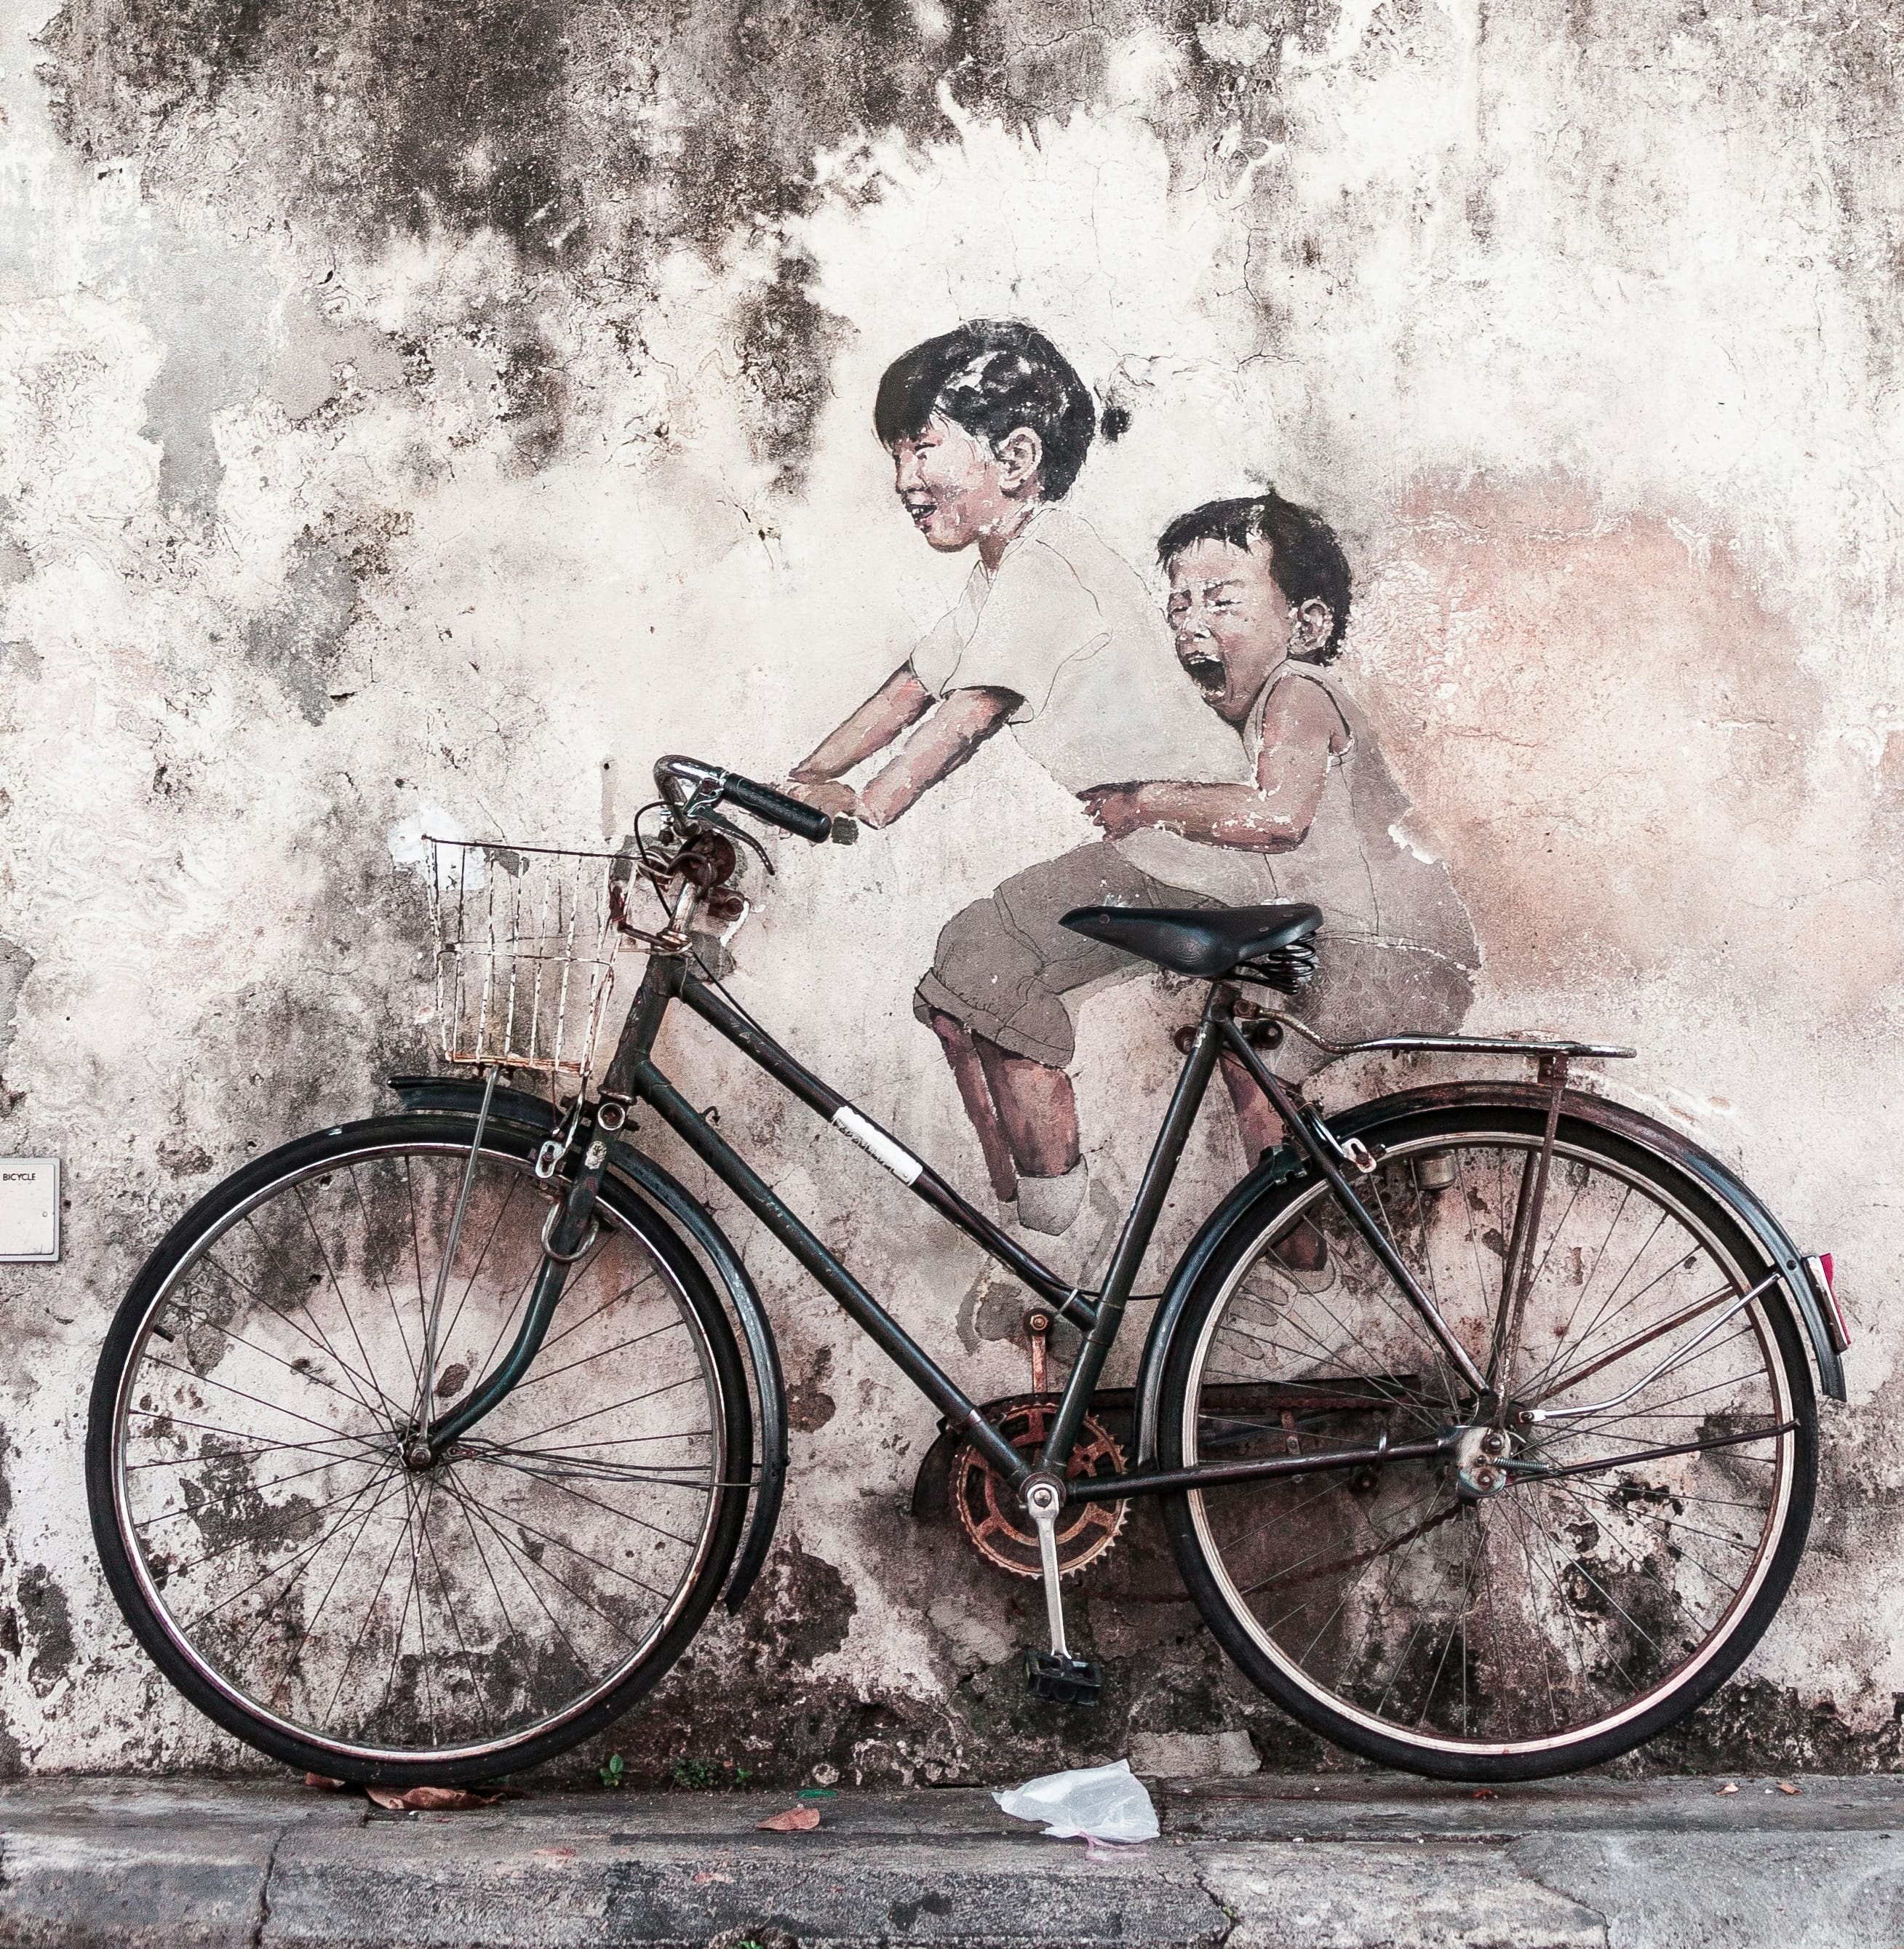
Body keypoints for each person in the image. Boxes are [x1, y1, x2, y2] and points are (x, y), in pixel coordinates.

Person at [786, 319, 1256, 1235]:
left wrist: (866, 807)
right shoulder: (1004, 570)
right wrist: (797, 777)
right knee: (964, 974)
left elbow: (968, 715)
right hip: (1164, 852)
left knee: (988, 964)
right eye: (894, 455)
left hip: (1196, 852)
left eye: (922, 447)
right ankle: (1027, 1214)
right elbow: (913, 687)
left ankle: (1058, 1234)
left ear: (1015, 458)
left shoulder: (1049, 566)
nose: (903, 479)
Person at [1080, 489, 1479, 1158]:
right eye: (1179, 606)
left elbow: (1276, 818)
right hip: (1366, 947)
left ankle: (1290, 1212)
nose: (1190, 625)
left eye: (1221, 601)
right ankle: (1296, 1201)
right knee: (1251, 1043)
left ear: (1307, 625)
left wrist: (1145, 802)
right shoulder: (1263, 711)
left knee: (1256, 1049)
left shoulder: (1297, 689)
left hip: (1394, 954)